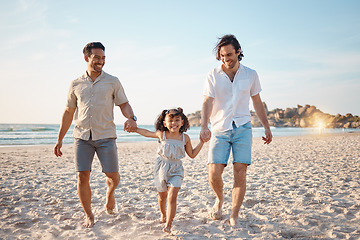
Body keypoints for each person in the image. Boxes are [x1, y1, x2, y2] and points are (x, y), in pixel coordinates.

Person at [53, 42, 137, 228]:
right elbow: (68, 112)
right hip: (82, 137)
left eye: (103, 58)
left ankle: (110, 192)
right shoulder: (75, 84)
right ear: (87, 58)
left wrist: (131, 118)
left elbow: (124, 104)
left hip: (106, 136)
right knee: (82, 176)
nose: (101, 61)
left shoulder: (113, 81)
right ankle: (89, 214)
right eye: (97, 57)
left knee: (113, 176)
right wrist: (59, 139)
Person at [200, 34, 272, 227]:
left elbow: (257, 102)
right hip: (219, 128)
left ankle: (234, 214)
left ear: (238, 52)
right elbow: (207, 101)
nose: (226, 59)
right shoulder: (213, 75)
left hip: (243, 127)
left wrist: (266, 126)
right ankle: (220, 199)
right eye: (222, 56)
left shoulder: (251, 74)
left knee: (240, 174)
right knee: (214, 174)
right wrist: (204, 125)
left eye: (229, 54)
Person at [132, 108, 204, 233]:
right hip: (161, 167)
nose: (174, 123)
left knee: (172, 196)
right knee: (162, 196)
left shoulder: (185, 138)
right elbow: (146, 132)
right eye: (170, 120)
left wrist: (202, 142)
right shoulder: (162, 134)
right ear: (165, 123)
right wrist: (135, 129)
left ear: (182, 122)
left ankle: (169, 224)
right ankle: (163, 214)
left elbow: (192, 154)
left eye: (177, 120)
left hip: (177, 169)